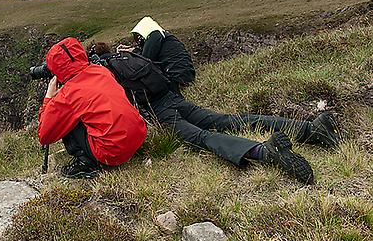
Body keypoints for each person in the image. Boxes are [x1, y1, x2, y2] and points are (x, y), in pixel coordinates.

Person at [89, 40, 340, 185]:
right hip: (175, 98)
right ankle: (310, 129)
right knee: (228, 120)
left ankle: (265, 152)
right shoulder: (128, 55)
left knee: (202, 138)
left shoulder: (105, 71)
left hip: (160, 112)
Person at [37, 37, 147, 179]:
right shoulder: (101, 71)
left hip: (112, 153)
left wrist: (49, 99)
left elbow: (44, 135)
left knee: (65, 118)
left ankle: (86, 162)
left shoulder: (69, 94)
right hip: (138, 136)